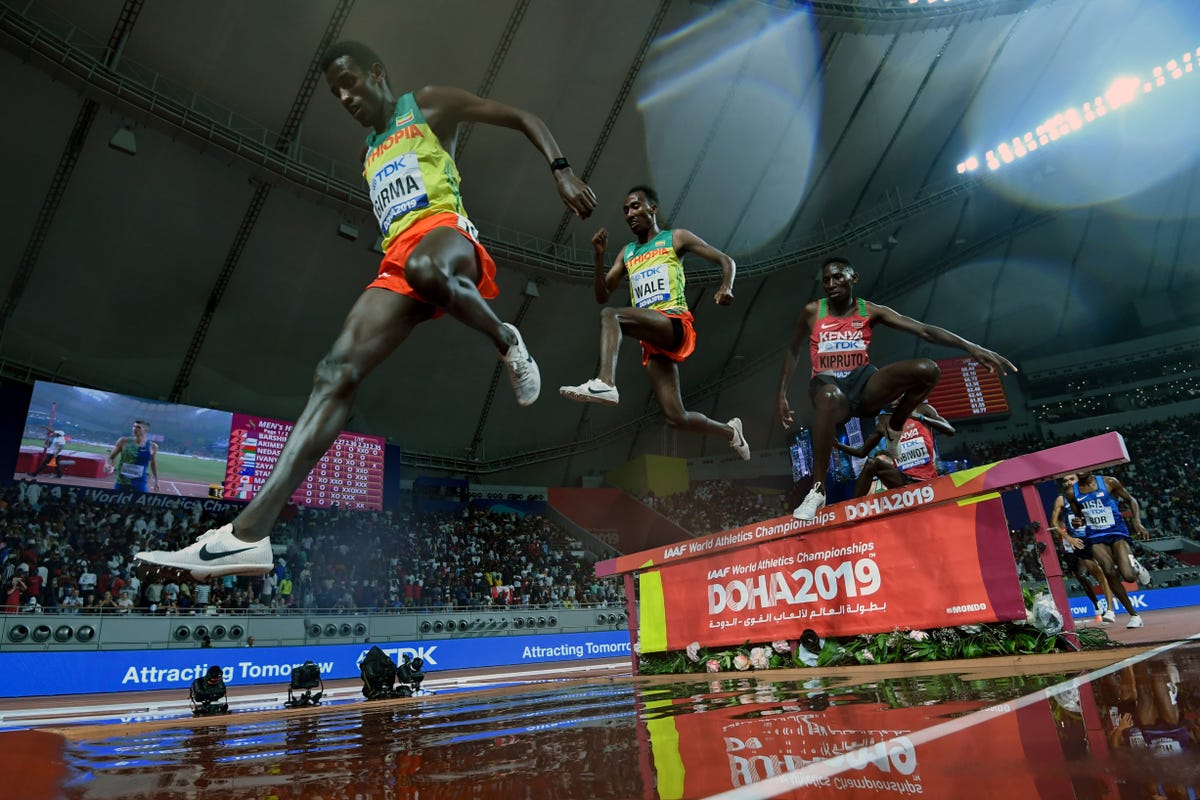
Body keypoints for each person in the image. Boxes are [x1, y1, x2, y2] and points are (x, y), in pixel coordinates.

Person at [136, 41, 596, 578]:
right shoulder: (366, 151)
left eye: (352, 82)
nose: (346, 96)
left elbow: (519, 115)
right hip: (398, 259)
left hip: (447, 237)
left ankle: (505, 338)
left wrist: (560, 169)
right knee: (334, 373)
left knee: (428, 269)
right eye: (336, 92)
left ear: (377, 74)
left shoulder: (426, 105)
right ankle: (247, 535)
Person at [777, 257, 1015, 520]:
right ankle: (818, 491)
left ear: (853, 278)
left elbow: (922, 330)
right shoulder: (813, 312)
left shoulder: (870, 311)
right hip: (830, 389)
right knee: (830, 396)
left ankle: (895, 426)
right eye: (826, 280)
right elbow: (792, 349)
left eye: (838, 277)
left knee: (928, 369)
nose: (831, 284)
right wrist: (782, 394)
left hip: (862, 384)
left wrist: (971, 347)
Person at [558, 187, 750, 460]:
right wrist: (599, 255)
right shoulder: (627, 253)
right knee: (677, 418)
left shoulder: (675, 238)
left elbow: (725, 259)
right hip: (654, 339)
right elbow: (601, 294)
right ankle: (731, 432)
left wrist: (726, 286)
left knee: (612, 316)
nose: (629, 214)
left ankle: (605, 382)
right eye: (625, 210)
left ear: (653, 209)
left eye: (635, 206)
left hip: (674, 324)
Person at [1065, 471, 1152, 628]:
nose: (1081, 470)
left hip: (1116, 532)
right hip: (1095, 536)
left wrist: (1137, 522)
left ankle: (1136, 567)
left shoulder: (1109, 482)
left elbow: (1130, 500)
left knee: (1129, 577)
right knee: (1108, 571)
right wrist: (1077, 522)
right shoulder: (1072, 492)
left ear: (1091, 467)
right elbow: (1079, 517)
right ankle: (1134, 615)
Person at [831, 402, 954, 497]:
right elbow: (862, 452)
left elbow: (950, 430)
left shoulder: (923, 410)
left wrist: (920, 418)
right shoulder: (885, 422)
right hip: (902, 480)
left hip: (927, 478)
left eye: (897, 395)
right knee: (871, 463)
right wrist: (838, 445)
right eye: (891, 397)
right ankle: (853, 509)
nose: (892, 400)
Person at [1050, 473, 1115, 625]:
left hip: (1093, 537)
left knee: (1100, 572)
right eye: (1064, 480)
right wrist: (1068, 538)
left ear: (1079, 480)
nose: (1067, 482)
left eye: (1071, 479)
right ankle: (1097, 604)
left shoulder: (1090, 494)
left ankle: (1110, 610)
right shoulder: (1061, 500)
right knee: (1080, 576)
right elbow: (1054, 522)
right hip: (1074, 543)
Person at [103, 420, 159, 493]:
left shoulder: (153, 446)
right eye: (134, 426)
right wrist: (107, 464)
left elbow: (153, 463)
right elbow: (111, 457)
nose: (134, 428)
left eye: (138, 427)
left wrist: (156, 480)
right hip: (122, 481)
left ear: (146, 430)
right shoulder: (123, 441)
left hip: (140, 482)